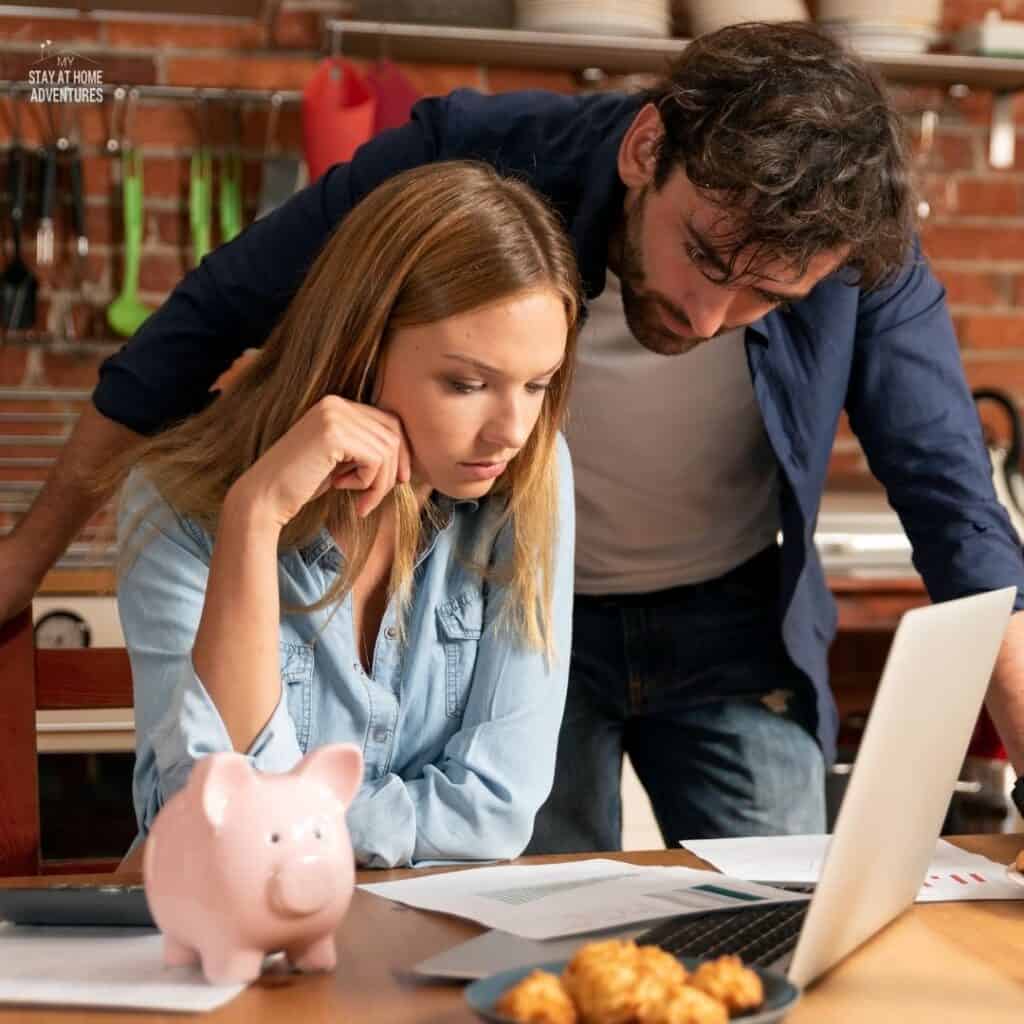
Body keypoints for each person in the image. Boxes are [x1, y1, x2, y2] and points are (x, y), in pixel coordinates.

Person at [4, 22, 1024, 850]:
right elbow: (206, 322)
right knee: (521, 933)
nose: (712, 317)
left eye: (766, 296)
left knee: (777, 925)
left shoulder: (853, 251)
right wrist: (27, 560)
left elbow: (951, 500)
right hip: (518, 607)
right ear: (646, 148)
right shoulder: (471, 165)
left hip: (728, 621)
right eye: (705, 257)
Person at [112, 162, 580, 868]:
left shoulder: (533, 476)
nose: (510, 430)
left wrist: (283, 820)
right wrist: (255, 514)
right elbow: (215, 828)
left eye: (538, 384)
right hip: (232, 945)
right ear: (361, 346)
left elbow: (496, 811)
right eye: (467, 383)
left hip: (421, 943)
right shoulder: (177, 505)